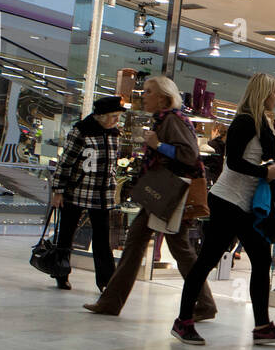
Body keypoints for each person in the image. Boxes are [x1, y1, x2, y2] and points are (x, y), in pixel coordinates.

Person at [171, 73, 275, 345]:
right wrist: (264, 172)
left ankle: (262, 325)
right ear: (262, 94)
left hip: (244, 205)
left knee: (260, 261)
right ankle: (183, 321)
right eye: (274, 93)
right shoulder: (245, 121)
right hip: (227, 202)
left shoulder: (261, 122)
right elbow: (234, 162)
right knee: (207, 261)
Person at [83, 76, 216, 321]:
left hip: (168, 195)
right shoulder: (165, 120)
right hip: (164, 195)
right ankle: (112, 301)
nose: (143, 95)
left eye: (149, 92)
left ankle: (204, 303)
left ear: (163, 97)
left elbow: (189, 154)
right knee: (150, 245)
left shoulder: (172, 120)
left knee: (170, 249)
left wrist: (158, 145)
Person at [50, 96, 123, 291]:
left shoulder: (115, 134)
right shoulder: (82, 131)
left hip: (102, 195)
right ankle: (61, 272)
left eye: (118, 116)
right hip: (76, 191)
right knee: (66, 234)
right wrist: (58, 190)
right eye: (113, 116)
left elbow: (112, 166)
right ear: (100, 116)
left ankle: (107, 281)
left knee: (102, 238)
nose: (117, 120)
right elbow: (66, 162)